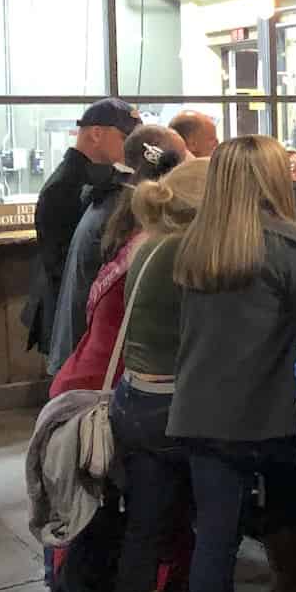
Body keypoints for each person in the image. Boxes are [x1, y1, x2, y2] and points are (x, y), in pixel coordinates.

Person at [170, 135, 296, 592]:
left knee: (215, 539)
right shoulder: (290, 247)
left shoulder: (195, 246)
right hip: (268, 415)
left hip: (198, 414)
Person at [109, 159, 211, 592]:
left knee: (146, 529)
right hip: (177, 409)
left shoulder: (148, 243)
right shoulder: (191, 251)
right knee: (218, 524)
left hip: (135, 401)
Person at [49, 126, 186, 397]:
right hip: (99, 386)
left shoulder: (115, 206)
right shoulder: (146, 234)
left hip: (82, 370)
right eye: (184, 159)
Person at [23, 97, 140, 356]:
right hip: (68, 313)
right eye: (125, 138)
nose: (131, 146)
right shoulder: (64, 186)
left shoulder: (98, 177)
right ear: (96, 133)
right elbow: (60, 263)